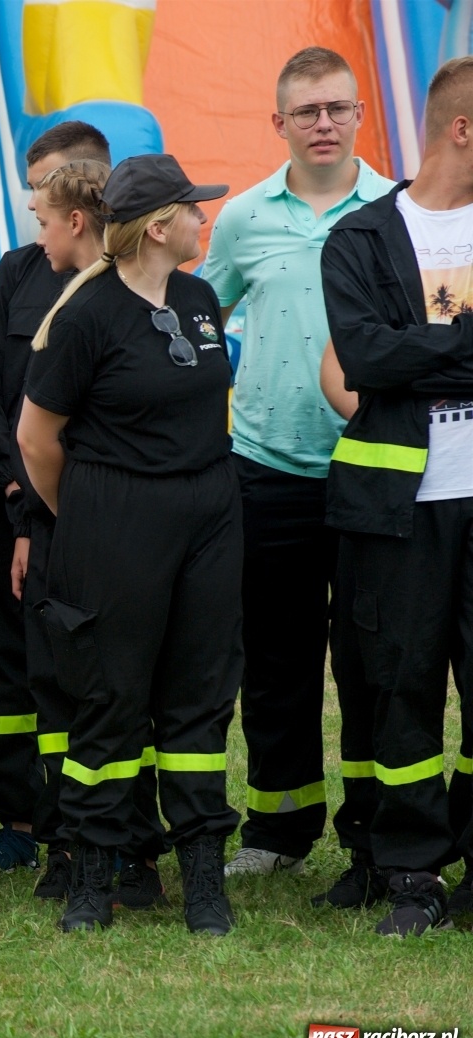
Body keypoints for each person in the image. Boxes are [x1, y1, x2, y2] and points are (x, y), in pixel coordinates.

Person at [18, 154, 240, 935]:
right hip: (117, 515)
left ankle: (204, 882)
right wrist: (86, 513)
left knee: (201, 693)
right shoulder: (87, 313)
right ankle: (92, 878)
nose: (203, 219)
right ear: (157, 227)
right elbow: (36, 438)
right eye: (193, 209)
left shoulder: (199, 297)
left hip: (208, 511)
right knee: (110, 698)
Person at [199, 48, 397, 895]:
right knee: (276, 662)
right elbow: (198, 317)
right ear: (278, 122)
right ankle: (279, 827)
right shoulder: (243, 217)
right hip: (266, 469)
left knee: (371, 660)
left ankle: (376, 834)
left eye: (337, 108)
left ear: (360, 115)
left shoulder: (398, 211)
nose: (323, 124)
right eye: (307, 111)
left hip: (373, 469)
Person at [319, 55, 473, 936]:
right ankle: (411, 870)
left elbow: (392, 352)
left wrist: (419, 346)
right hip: (399, 505)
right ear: (462, 129)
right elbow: (364, 358)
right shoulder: (362, 238)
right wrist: (460, 344)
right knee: (400, 684)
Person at [0, 121, 110, 877]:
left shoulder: (121, 281)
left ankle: (84, 822)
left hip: (86, 510)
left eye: (46, 189)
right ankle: (18, 819)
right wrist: (17, 482)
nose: (34, 206)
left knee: (81, 663)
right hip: (13, 503)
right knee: (8, 658)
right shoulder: (16, 273)